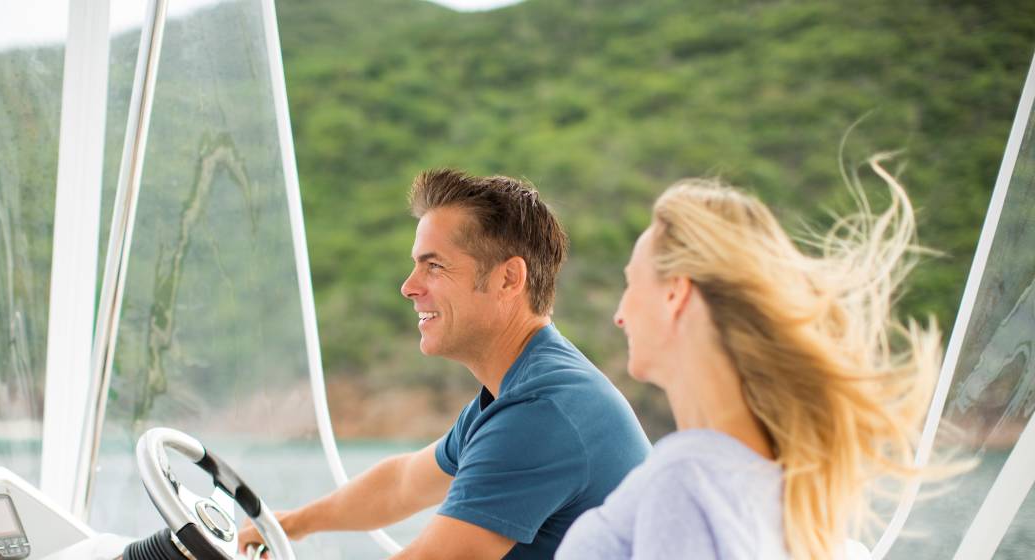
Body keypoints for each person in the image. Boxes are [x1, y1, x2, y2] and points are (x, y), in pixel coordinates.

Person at [239, 169, 651, 558]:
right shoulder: (523, 388)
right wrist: (289, 524)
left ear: (509, 279)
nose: (408, 287)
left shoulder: (543, 411)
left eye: (434, 266)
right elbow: (401, 485)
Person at [558, 156, 940, 559]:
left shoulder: (688, 480)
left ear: (674, 294)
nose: (619, 314)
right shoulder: (783, 489)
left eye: (630, 282)